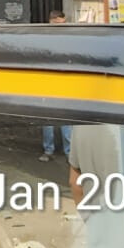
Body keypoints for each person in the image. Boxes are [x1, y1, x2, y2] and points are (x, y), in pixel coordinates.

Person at [40, 11, 73, 162]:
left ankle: (70, 152)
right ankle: (49, 150)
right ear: (51, 21)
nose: (61, 27)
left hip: (65, 84)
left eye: (63, 24)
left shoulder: (68, 40)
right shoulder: (45, 41)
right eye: (58, 24)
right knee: (48, 121)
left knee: (66, 121)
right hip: (48, 84)